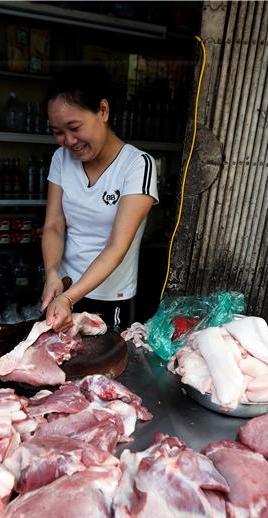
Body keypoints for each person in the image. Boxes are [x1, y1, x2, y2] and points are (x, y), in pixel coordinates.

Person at [40, 67, 158, 333]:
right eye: (58, 132)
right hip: (65, 286)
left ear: (103, 111)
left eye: (74, 127)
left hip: (109, 297)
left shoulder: (137, 165)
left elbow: (117, 246)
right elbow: (54, 225)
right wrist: (52, 274)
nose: (68, 141)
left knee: (103, 370)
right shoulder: (60, 159)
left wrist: (70, 298)